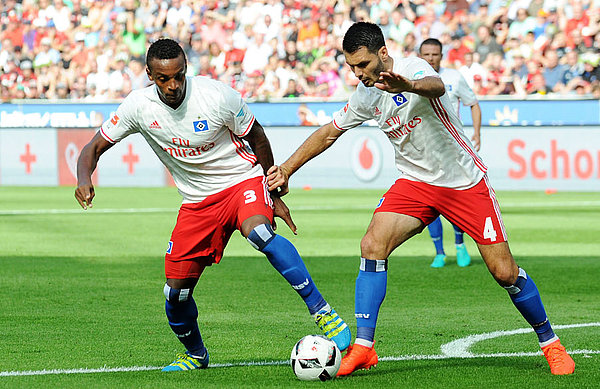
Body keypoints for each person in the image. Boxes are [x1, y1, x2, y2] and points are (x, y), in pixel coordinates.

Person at [267, 22, 575, 377]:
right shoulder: (365, 95)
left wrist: (409, 86)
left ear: (383, 54)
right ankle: (364, 348)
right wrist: (287, 168)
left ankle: (550, 342)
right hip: (415, 183)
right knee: (372, 244)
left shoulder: (413, 69)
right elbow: (328, 133)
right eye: (352, 67)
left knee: (503, 271)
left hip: (464, 183)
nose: (358, 74)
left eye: (363, 65)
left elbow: (436, 86)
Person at [74, 38, 350, 372]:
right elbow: (93, 146)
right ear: (149, 74)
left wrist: (273, 194)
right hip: (197, 202)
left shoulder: (217, 96)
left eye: (179, 75)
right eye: (163, 78)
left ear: (186, 68)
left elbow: (257, 137)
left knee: (260, 233)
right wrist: (84, 177)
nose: (173, 85)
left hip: (241, 182)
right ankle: (196, 354)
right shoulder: (138, 106)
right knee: (175, 296)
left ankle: (322, 311)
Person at [418, 38, 482, 268]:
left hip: (452, 148)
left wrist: (477, 133)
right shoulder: (412, 79)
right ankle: (439, 252)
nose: (431, 58)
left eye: (435, 54)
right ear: (420, 55)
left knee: (454, 199)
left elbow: (473, 103)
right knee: (431, 203)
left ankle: (459, 244)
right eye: (426, 54)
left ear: (441, 55)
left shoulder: (454, 77)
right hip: (424, 150)